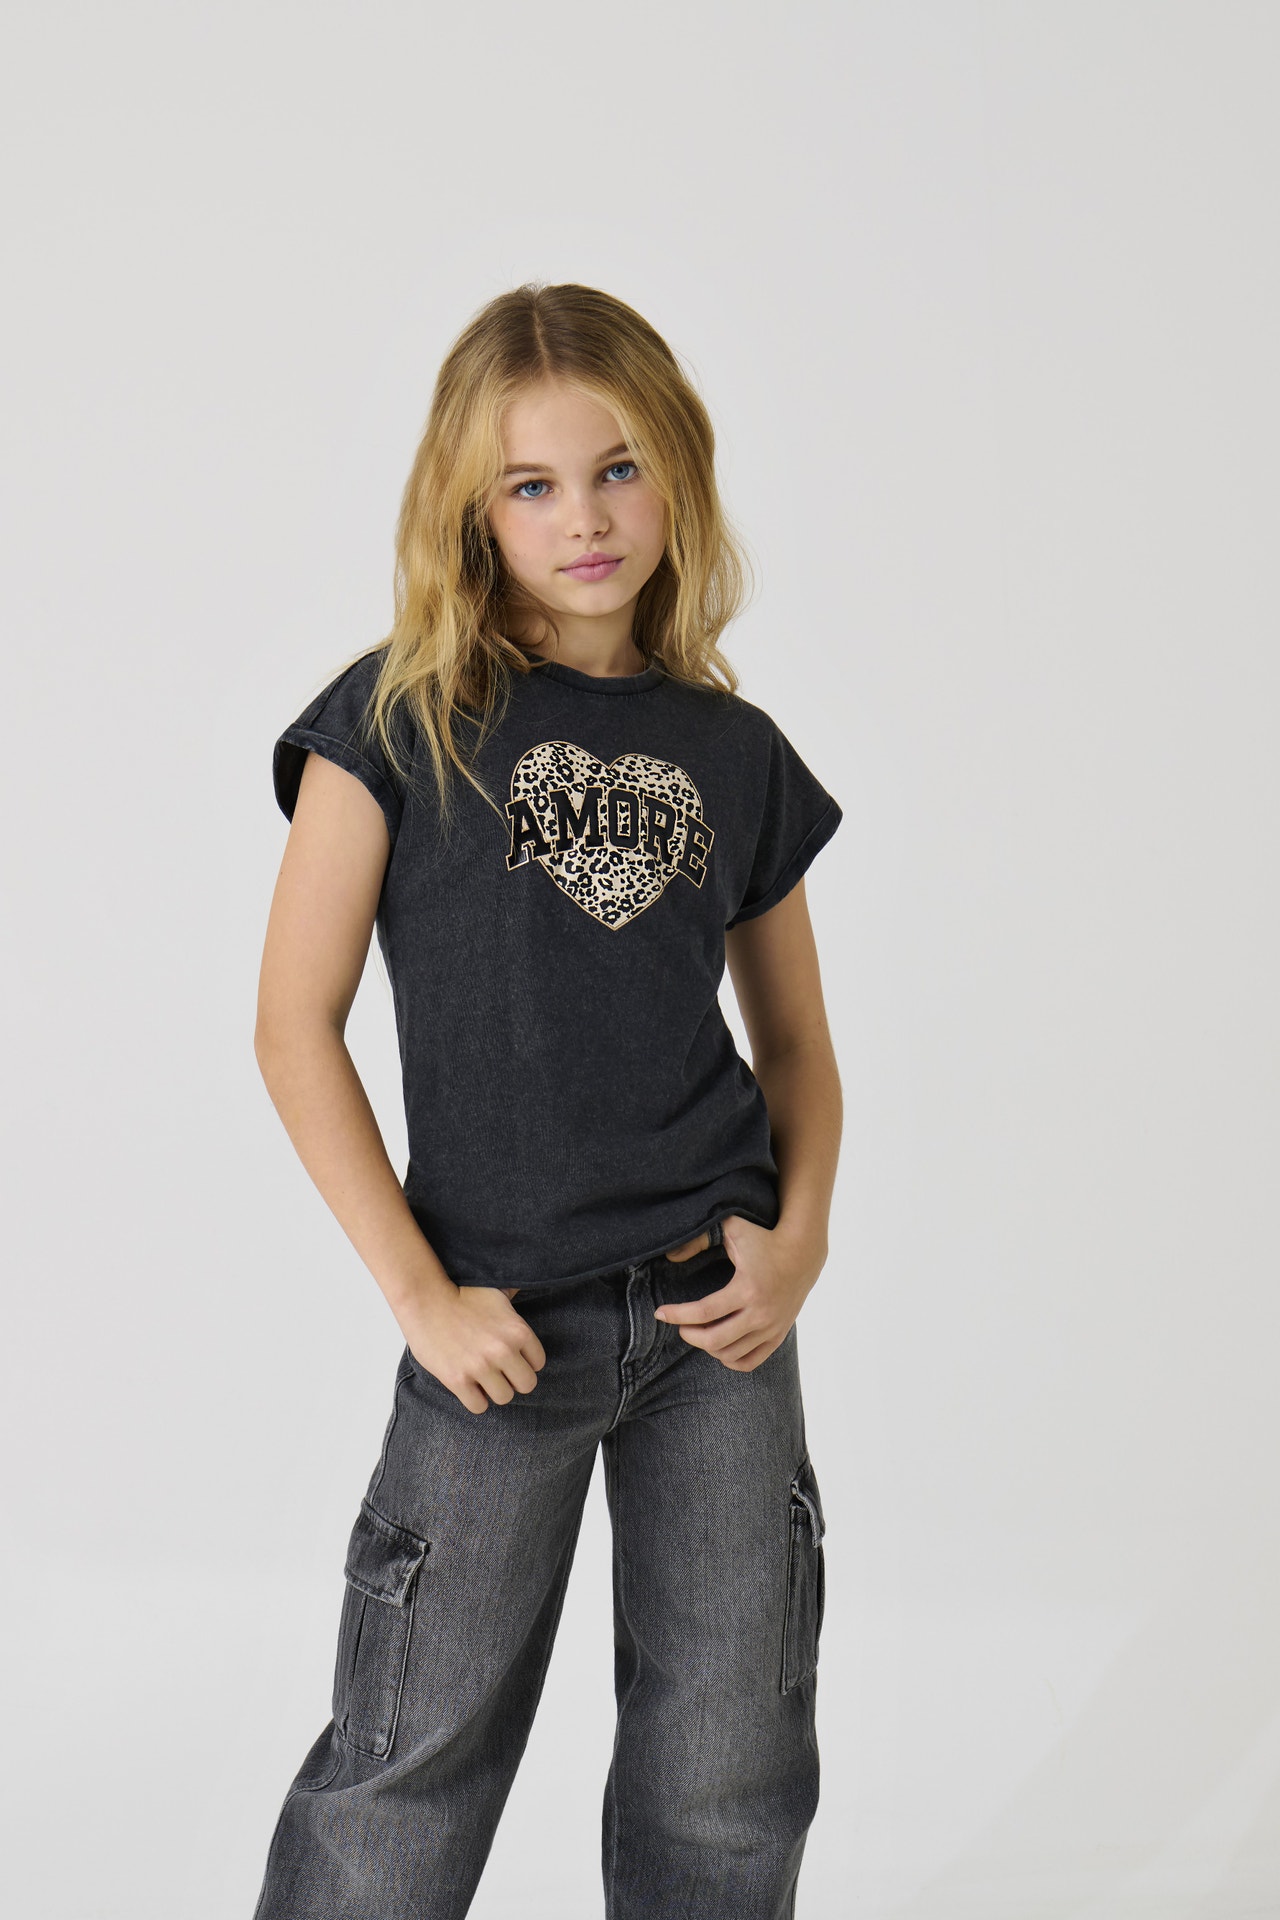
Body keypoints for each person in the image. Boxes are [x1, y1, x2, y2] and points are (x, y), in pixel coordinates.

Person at [251, 281, 844, 1920]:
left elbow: (796, 1047)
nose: (584, 517)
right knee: (403, 1769)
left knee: (728, 1774)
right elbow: (293, 1028)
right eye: (532, 484)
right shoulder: (397, 720)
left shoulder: (734, 751)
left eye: (619, 468)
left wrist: (799, 1242)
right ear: (472, 508)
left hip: (720, 1328)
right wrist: (420, 1296)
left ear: (680, 476)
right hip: (499, 1331)